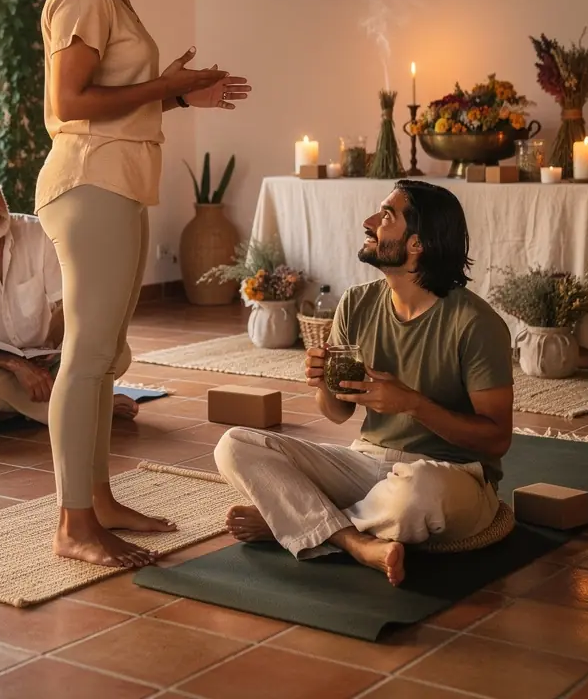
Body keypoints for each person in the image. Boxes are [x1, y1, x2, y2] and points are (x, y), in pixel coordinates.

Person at [37, 0, 251, 567]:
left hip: (119, 182)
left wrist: (182, 94)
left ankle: (97, 501)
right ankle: (73, 527)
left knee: (106, 358)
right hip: (88, 183)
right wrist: (166, 84)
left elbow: (116, 95)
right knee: (88, 357)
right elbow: (70, 107)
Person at [214, 180, 514, 587]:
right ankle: (354, 541)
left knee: (417, 496)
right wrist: (323, 383)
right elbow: (337, 414)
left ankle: (296, 521)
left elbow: (497, 440)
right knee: (233, 445)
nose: (370, 223)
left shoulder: (476, 324)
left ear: (417, 244)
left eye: (387, 216)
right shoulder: (356, 303)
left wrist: (411, 404)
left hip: (450, 475)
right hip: (367, 465)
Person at [0, 166, 139, 430]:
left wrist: (49, 345)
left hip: (41, 362)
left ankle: (5, 412)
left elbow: (63, 305)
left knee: (118, 353)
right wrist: (15, 365)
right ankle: (83, 411)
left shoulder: (38, 233)